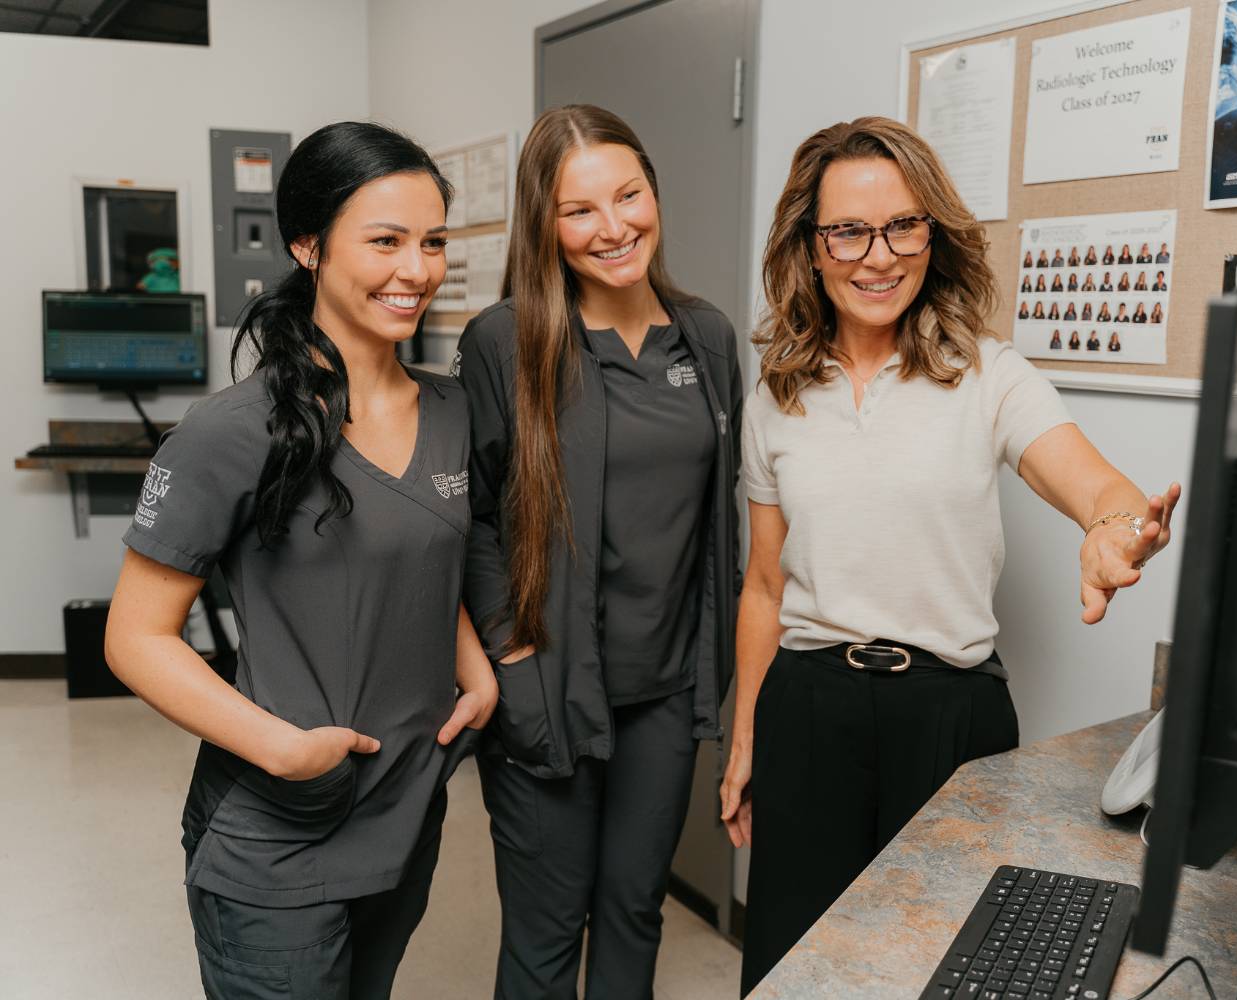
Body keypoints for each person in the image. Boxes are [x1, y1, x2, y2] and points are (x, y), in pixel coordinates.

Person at [721, 117, 1180, 995]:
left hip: (949, 716)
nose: (879, 256)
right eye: (849, 231)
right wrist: (743, 737)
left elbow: (1098, 487)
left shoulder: (987, 374)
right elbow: (764, 584)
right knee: (795, 968)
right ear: (811, 247)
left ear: (933, 236)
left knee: (944, 967)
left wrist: (1118, 530)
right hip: (807, 711)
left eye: (904, 226)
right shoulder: (775, 397)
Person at [103, 122, 496, 999]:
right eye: (385, 241)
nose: (416, 269)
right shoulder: (232, 432)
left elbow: (425, 556)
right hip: (278, 831)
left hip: (406, 811)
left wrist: (474, 669)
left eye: (433, 242)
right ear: (308, 245)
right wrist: (283, 751)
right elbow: (134, 638)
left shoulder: (453, 411)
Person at [454, 105, 742, 1000]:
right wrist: (510, 655)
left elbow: (719, 515)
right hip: (547, 683)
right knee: (545, 934)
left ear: (654, 191)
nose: (614, 227)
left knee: (633, 910)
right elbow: (474, 517)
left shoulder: (707, 336)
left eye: (629, 195)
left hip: (666, 691)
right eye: (579, 210)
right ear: (544, 224)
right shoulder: (506, 340)